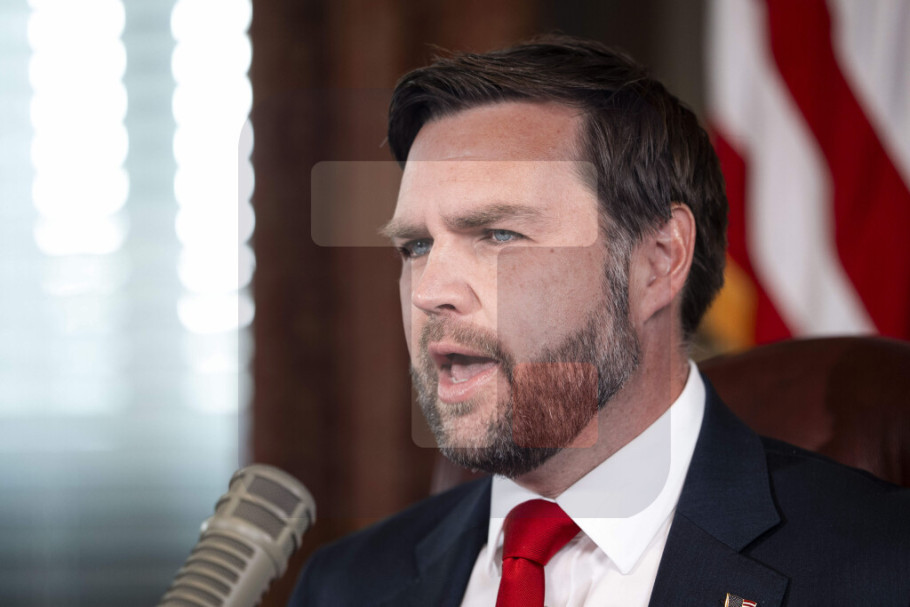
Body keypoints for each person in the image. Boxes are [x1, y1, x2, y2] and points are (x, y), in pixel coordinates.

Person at [289, 35, 909, 606]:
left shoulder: (885, 566)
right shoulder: (344, 586)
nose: (430, 292)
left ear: (658, 261)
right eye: (417, 246)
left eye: (498, 234)